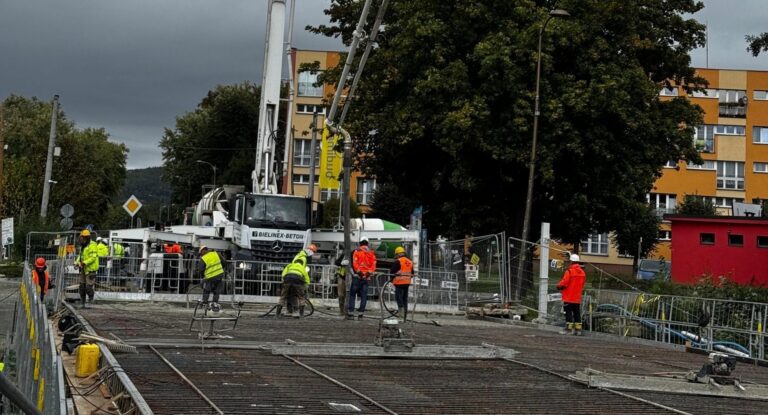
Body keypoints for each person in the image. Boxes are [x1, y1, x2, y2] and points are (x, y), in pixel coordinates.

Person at [277, 244, 317, 318]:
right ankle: (300, 314)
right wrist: (306, 285)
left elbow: (283, 274)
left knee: (284, 296)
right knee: (301, 296)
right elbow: (306, 276)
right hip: (297, 279)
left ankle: (278, 314)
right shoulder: (303, 261)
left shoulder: (290, 265)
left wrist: (283, 281)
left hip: (287, 279)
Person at [557, 254, 587, 335]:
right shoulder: (582, 273)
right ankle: (578, 330)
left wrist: (558, 286)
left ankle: (568, 329)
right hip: (577, 297)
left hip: (568, 296)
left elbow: (564, 283)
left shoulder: (569, 271)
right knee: (577, 313)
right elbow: (582, 284)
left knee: (568, 312)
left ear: (571, 262)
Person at [347, 238, 377, 320]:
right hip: (366, 278)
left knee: (352, 295)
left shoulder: (357, 251)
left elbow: (355, 263)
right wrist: (368, 273)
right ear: (367, 243)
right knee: (364, 296)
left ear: (360, 243)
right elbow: (373, 265)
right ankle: (360, 315)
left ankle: (351, 314)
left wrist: (359, 272)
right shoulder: (371, 253)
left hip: (357, 277)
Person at [389, 246, 413, 320]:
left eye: (396, 254)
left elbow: (392, 272)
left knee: (399, 299)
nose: (395, 256)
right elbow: (412, 273)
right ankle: (404, 317)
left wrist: (392, 279)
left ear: (398, 254)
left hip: (399, 283)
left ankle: (401, 317)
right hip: (407, 283)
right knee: (405, 300)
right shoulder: (410, 261)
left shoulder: (398, 261)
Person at [77, 229, 100, 308]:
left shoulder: (92, 245)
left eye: (82, 237)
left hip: (90, 269)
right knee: (82, 287)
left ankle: (91, 300)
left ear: (86, 237)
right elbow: (80, 256)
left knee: (88, 287)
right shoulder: (83, 246)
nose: (81, 239)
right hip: (84, 268)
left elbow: (93, 257)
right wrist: (76, 262)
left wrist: (84, 263)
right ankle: (82, 303)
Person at [198, 246, 224, 312]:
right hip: (219, 275)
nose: (201, 254)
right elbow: (224, 262)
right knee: (216, 292)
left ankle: (204, 303)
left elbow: (201, 270)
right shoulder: (216, 254)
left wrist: (203, 278)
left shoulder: (203, 258)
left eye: (201, 253)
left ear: (203, 251)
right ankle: (215, 304)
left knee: (207, 290)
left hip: (210, 277)